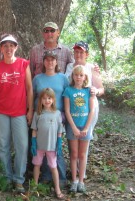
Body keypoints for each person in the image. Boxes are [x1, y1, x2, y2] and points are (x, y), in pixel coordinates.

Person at [0, 34, 33, 193]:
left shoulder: (23, 64)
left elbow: (29, 89)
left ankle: (19, 179)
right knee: (3, 145)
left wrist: (30, 110)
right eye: (5, 46)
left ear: (16, 47)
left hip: (19, 112)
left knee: (22, 145)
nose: (8, 49)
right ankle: (8, 176)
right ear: (1, 49)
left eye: (12, 46)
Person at [65, 41, 104, 178]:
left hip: (89, 109)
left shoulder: (92, 68)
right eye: (76, 51)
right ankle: (74, 171)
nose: (78, 54)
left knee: (84, 137)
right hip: (71, 107)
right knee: (72, 138)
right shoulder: (69, 66)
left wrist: (96, 91)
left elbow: (101, 88)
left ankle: (82, 173)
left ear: (86, 54)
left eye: (81, 52)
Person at [32, 50, 69, 186]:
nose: (50, 62)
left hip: (58, 117)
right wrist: (31, 112)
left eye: (52, 60)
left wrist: (65, 114)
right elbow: (32, 96)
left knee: (55, 148)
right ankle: (46, 177)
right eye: (47, 60)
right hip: (41, 117)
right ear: (43, 62)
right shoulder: (37, 78)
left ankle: (61, 179)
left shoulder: (63, 78)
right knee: (42, 146)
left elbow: (67, 96)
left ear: (56, 62)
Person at [63, 65, 95, 193]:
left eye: (81, 75)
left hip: (85, 127)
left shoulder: (88, 91)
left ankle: (81, 181)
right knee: (74, 154)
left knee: (82, 154)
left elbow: (92, 110)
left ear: (85, 77)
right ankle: (74, 180)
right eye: (76, 75)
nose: (78, 77)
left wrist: (86, 127)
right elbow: (67, 110)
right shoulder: (68, 91)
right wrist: (74, 128)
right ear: (73, 76)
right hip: (73, 127)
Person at [31, 88, 64, 199]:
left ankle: (57, 188)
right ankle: (34, 187)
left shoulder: (57, 113)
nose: (47, 100)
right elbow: (34, 130)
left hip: (52, 146)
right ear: (40, 100)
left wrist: (59, 142)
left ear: (53, 100)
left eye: (49, 98)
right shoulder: (37, 114)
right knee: (37, 164)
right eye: (44, 98)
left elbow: (60, 130)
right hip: (39, 146)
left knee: (53, 166)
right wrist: (33, 142)